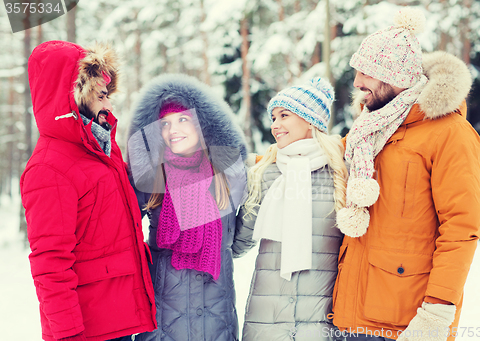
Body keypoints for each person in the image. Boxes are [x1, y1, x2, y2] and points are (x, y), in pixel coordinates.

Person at [330, 8, 480, 341]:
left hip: (404, 324)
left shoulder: (450, 133)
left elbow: (461, 227)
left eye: (367, 72)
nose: (357, 82)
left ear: (396, 76)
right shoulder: (367, 130)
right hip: (347, 313)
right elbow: (322, 161)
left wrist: (437, 312)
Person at [20, 40, 157, 341]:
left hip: (120, 321)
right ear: (74, 95)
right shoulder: (49, 168)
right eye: (101, 95)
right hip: (89, 331)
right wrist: (68, 335)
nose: (109, 105)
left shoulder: (102, 150)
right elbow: (50, 265)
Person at [127, 74, 248, 341]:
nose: (173, 130)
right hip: (163, 320)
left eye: (183, 119)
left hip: (216, 318)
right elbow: (124, 231)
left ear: (202, 123)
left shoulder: (227, 176)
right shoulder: (152, 177)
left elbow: (243, 232)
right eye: (165, 123)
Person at [233, 77, 349, 341]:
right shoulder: (265, 173)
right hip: (266, 319)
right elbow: (237, 244)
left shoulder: (341, 174)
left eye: (284, 115)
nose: (275, 125)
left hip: (322, 318)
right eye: (273, 117)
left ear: (310, 120)